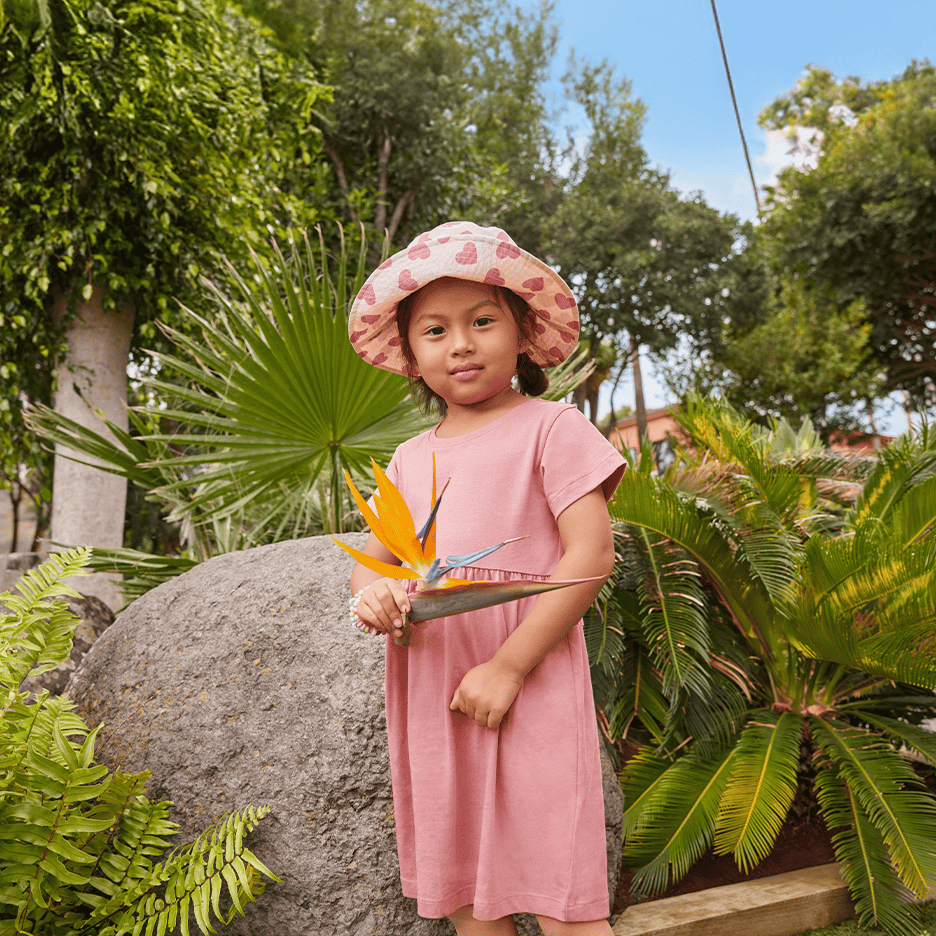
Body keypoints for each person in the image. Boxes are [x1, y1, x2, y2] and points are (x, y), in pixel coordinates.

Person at [346, 221, 626, 936]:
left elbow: (589, 555)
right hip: (436, 688)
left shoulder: (553, 428)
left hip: (527, 674)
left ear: (523, 331)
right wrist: (375, 597)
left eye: (481, 321)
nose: (461, 344)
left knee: (563, 900)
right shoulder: (407, 461)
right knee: (469, 898)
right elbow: (375, 567)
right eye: (435, 330)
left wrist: (508, 665)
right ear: (409, 353)